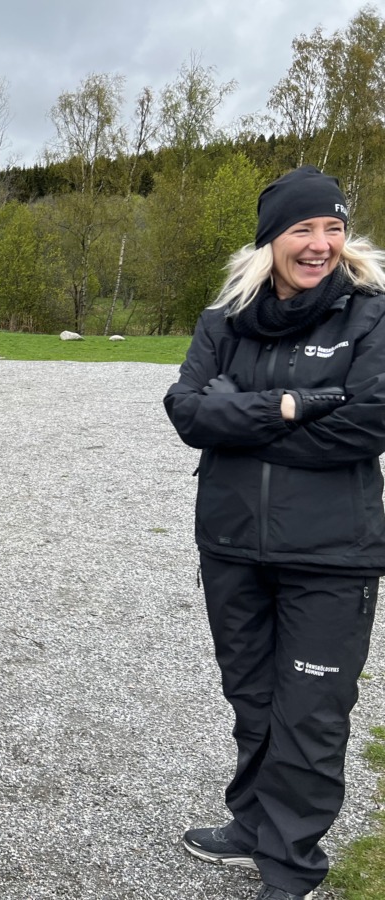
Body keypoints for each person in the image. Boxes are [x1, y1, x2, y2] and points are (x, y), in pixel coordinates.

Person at [164, 166, 385, 900]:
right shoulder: (222, 320)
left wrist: (244, 420)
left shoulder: (370, 316)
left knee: (310, 715)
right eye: (303, 229)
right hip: (231, 547)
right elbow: (188, 410)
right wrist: (291, 406)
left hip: (331, 555)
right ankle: (253, 825)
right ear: (270, 241)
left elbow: (367, 423)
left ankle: (292, 867)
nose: (321, 244)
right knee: (253, 699)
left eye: (333, 228)